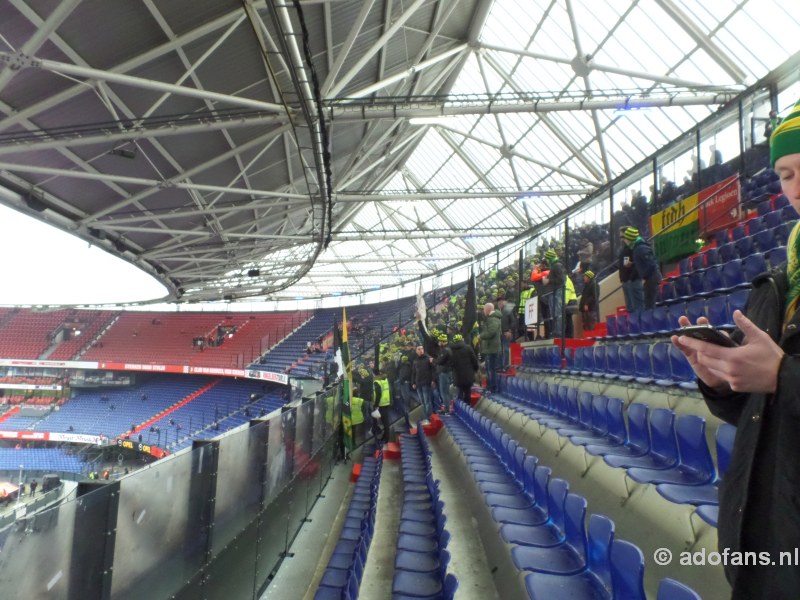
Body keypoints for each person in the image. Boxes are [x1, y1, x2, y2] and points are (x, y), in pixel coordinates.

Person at [671, 98, 800, 600]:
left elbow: (782, 380)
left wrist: (781, 375)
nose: (797, 189)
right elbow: (759, 413)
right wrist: (722, 380)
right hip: (763, 540)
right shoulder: (777, 283)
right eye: (787, 174)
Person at [623, 226, 661, 310]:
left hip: (651, 278)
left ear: (630, 239)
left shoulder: (640, 248)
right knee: (648, 303)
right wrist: (633, 264)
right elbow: (643, 262)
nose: (624, 241)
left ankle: (651, 321)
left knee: (649, 304)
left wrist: (645, 276)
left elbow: (651, 264)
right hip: (650, 277)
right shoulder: (637, 248)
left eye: (625, 238)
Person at [442, 333, 479, 406]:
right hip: (468, 374)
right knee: (468, 392)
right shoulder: (468, 348)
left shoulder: (451, 350)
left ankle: (461, 408)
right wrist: (475, 369)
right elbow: (474, 360)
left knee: (460, 391)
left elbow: (449, 363)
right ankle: (467, 407)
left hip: (457, 375)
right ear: (462, 339)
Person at [618, 226, 644, 312]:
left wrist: (631, 277)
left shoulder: (635, 247)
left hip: (633, 279)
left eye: (623, 237)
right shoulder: (625, 248)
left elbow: (638, 263)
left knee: (638, 307)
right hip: (626, 280)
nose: (622, 239)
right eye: (620, 237)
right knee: (631, 308)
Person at [542, 249, 565, 338]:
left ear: (550, 258)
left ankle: (558, 332)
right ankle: (556, 331)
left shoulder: (557, 266)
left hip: (557, 292)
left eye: (547, 258)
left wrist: (548, 280)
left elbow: (561, 280)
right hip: (554, 292)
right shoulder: (555, 266)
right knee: (554, 313)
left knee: (557, 313)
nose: (546, 260)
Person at [478, 302, 502, 393]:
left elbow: (492, 331)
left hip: (492, 348)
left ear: (488, 309)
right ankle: (489, 386)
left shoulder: (493, 319)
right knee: (488, 369)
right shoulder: (491, 318)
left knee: (491, 369)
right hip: (490, 348)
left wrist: (481, 336)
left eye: (484, 309)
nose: (483, 311)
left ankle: (492, 388)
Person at [411, 345, 435, 424]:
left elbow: (433, 369)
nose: (421, 350)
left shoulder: (428, 358)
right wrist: (413, 382)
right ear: (416, 351)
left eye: (422, 349)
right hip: (418, 384)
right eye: (419, 349)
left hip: (426, 382)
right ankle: (426, 417)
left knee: (427, 401)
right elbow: (413, 373)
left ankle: (428, 417)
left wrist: (433, 380)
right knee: (423, 402)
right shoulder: (415, 361)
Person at [497, 296, 516, 370]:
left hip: (506, 333)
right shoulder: (498, 312)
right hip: (499, 335)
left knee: (505, 349)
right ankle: (500, 366)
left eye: (501, 302)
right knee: (500, 351)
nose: (500, 303)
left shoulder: (508, 311)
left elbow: (513, 322)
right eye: (498, 302)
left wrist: (510, 331)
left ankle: (506, 366)